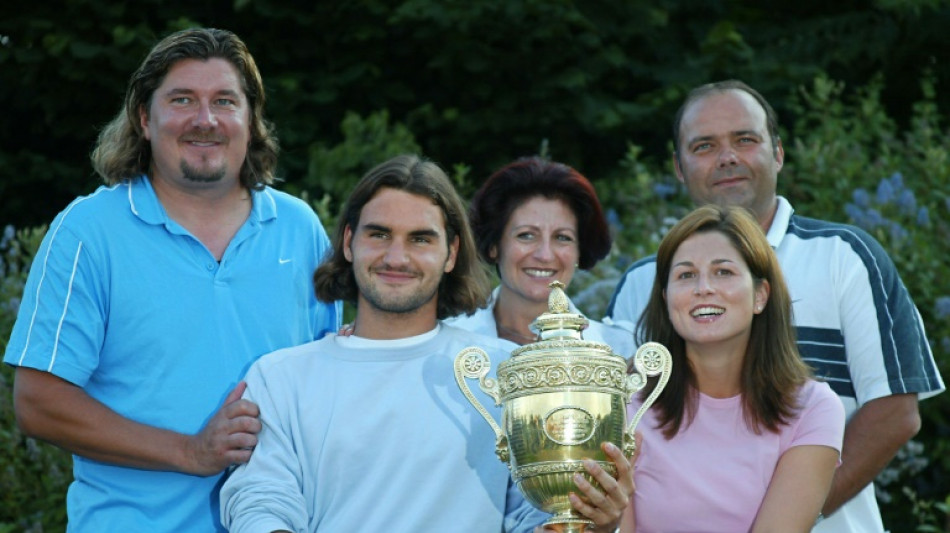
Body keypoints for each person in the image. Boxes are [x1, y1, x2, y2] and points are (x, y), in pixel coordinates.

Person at [3, 28, 341, 532]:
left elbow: (324, 389)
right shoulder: (87, 232)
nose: (205, 120)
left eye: (225, 101)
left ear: (250, 121)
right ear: (144, 118)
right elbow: (37, 403)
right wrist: (190, 451)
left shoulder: (300, 230)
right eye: (182, 99)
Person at [220, 154, 633, 533]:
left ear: (451, 252)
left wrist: (591, 521)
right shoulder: (280, 377)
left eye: (420, 239)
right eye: (379, 234)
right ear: (348, 242)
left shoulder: (511, 373)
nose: (396, 257)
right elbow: (261, 501)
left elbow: (535, 517)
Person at [605, 80, 945, 531]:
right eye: (704, 145)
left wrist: (796, 508)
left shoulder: (845, 256)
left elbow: (896, 413)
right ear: (679, 168)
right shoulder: (641, 283)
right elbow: (621, 424)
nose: (727, 157)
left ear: (778, 153)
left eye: (745, 139)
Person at [620, 204, 845, 532]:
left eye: (723, 271)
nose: (703, 288)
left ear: (760, 295)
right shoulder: (624, 399)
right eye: (686, 275)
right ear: (667, 299)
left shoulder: (813, 408)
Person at [447, 156, 634, 356]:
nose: (544, 255)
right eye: (526, 235)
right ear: (494, 246)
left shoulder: (621, 350)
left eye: (562, 237)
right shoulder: (447, 348)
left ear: (580, 250)